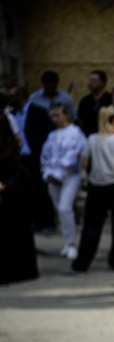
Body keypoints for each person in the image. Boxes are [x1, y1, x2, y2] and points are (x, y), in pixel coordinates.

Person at [67, 107, 114, 275]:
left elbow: (85, 164)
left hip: (97, 186)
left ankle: (82, 263)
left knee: (91, 226)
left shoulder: (92, 140)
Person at [0, 94, 38, 286]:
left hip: (11, 190)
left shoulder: (8, 135)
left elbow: (14, 161)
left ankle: (11, 272)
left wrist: (4, 182)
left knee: (11, 233)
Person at [40, 104, 87, 260]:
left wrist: (59, 173)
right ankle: (67, 240)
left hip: (70, 176)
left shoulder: (75, 133)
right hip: (52, 177)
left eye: (57, 115)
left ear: (66, 115)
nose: (55, 119)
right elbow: (45, 155)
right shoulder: (52, 135)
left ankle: (73, 243)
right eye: (52, 116)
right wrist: (48, 173)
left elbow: (73, 156)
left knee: (65, 207)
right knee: (59, 209)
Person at [8, 86, 57, 234]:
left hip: (36, 156)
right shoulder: (12, 114)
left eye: (13, 96)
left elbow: (49, 132)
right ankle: (36, 222)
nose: (11, 100)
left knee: (40, 189)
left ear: (21, 96)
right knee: (26, 192)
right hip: (20, 158)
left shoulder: (38, 111)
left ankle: (49, 222)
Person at [77, 70, 112, 136]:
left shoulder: (109, 99)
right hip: (88, 136)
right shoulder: (85, 101)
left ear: (102, 83)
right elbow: (80, 121)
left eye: (94, 81)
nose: (90, 83)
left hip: (106, 135)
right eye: (90, 80)